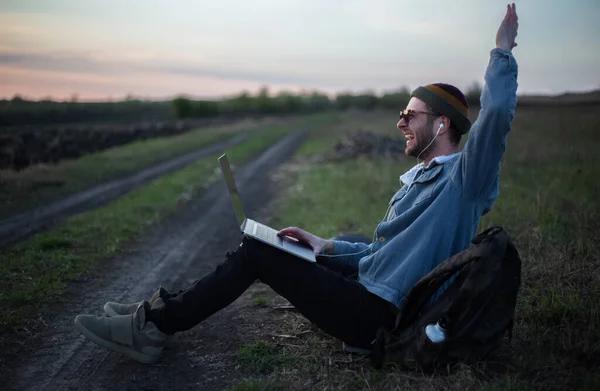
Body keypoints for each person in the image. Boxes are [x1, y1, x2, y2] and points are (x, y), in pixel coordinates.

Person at [74, 4, 519, 364]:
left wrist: (502, 51)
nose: (399, 121)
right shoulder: (419, 178)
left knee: (257, 253)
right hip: (374, 293)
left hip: (381, 315)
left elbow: (495, 116)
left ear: (442, 125)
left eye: (410, 115)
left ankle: (153, 328)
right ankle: (159, 306)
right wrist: (324, 246)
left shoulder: (465, 179)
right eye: (401, 112)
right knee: (315, 243)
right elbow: (383, 255)